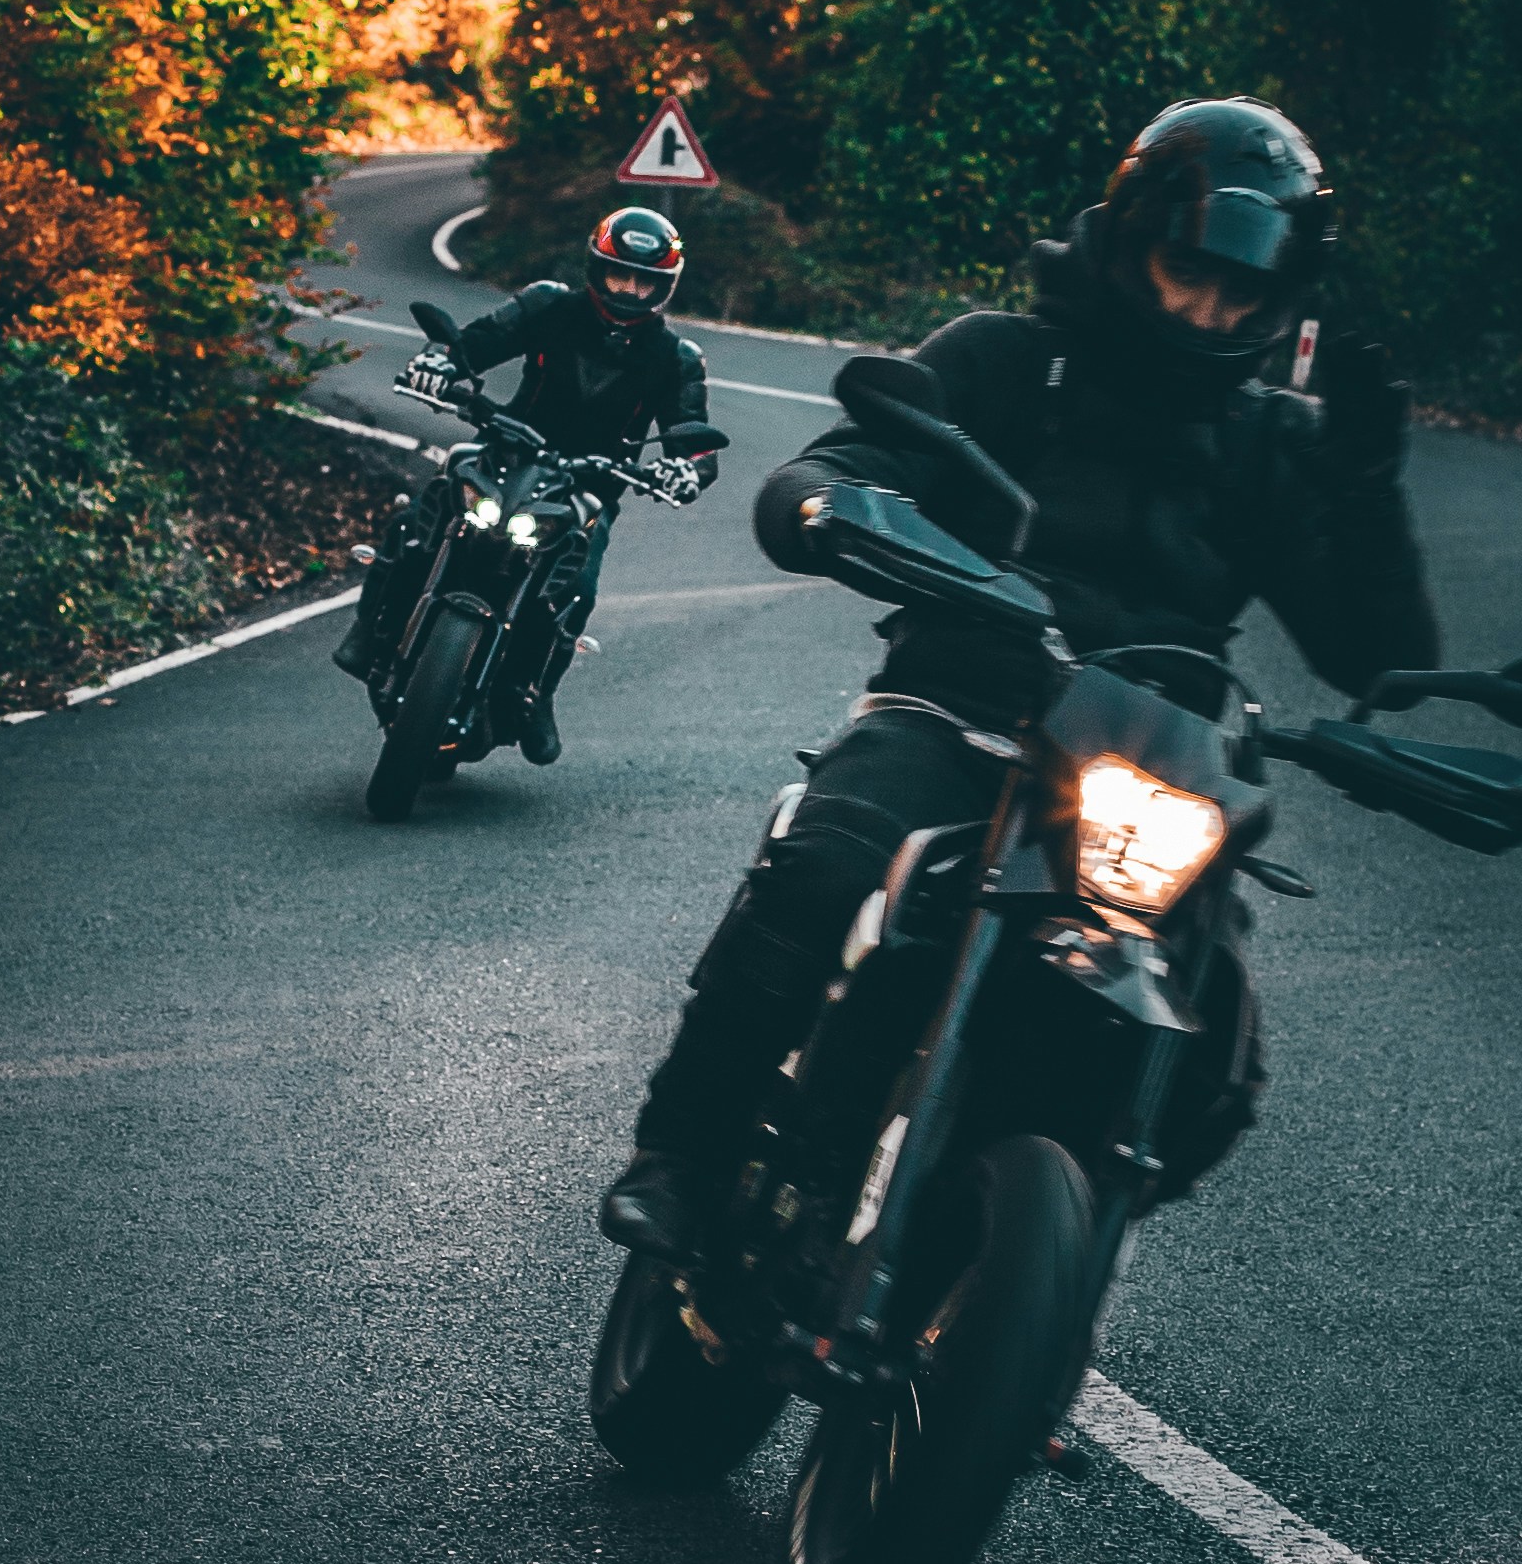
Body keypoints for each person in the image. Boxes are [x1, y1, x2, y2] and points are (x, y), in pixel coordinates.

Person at [596, 99, 1433, 1245]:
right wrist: (829, 502)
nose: (1209, 309)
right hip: (958, 711)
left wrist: (1365, 491)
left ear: (1281, 296)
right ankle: (684, 1153)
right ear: (1132, 239)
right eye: (1189, 271)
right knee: (827, 867)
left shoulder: (1267, 444)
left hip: (1152, 774)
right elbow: (842, 465)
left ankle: (1014, 1280)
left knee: (1213, 1049)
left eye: (1241, 291)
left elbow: (1373, 656)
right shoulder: (1003, 360)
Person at [336, 198, 730, 756]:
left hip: (588, 486)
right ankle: (366, 631)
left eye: (644, 282)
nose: (629, 290)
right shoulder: (548, 305)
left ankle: (536, 694)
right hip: (506, 450)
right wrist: (441, 365)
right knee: (421, 516)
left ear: (663, 286)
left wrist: (684, 470)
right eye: (620, 275)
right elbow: (475, 344)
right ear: (596, 267)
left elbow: (697, 445)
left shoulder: (677, 358)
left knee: (577, 587)